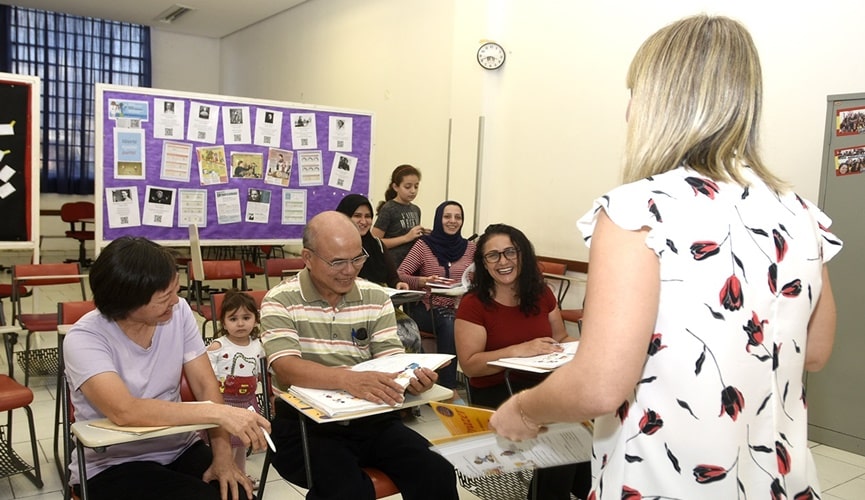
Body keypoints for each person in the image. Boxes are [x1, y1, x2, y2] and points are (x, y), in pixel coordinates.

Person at [489, 15, 842, 500]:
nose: (628, 111)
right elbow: (815, 352)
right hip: (778, 479)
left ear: (661, 102)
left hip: (667, 480)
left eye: (634, 93)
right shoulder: (798, 212)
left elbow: (599, 386)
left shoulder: (639, 210)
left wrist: (524, 410)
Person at [259, 211, 459, 500]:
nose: (350, 270)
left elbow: (392, 361)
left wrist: (411, 380)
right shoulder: (280, 299)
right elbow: (286, 368)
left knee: (437, 470)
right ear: (308, 257)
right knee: (347, 490)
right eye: (337, 262)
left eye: (357, 258)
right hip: (304, 427)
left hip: (371, 419)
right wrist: (349, 379)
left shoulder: (375, 296)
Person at [63, 236, 270, 500]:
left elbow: (205, 384)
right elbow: (125, 411)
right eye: (165, 297)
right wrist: (218, 413)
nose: (175, 301)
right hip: (112, 463)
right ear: (128, 301)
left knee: (239, 494)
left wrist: (223, 456)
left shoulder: (178, 313)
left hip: (178, 447)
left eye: (176, 290)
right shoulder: (84, 338)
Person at [455, 223, 589, 500]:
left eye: (510, 252)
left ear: (522, 254)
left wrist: (589, 348)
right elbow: (470, 365)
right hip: (497, 392)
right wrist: (517, 350)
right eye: (493, 255)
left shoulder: (541, 293)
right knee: (560, 434)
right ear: (483, 263)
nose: (503, 261)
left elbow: (561, 338)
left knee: (588, 424)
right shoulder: (473, 304)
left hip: (543, 385)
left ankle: (583, 489)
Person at [398, 200, 476, 397]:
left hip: (461, 307)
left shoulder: (470, 248)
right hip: (427, 307)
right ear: (438, 218)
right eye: (447, 216)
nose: (453, 221)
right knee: (449, 322)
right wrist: (423, 281)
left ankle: (481, 385)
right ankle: (449, 388)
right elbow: (400, 274)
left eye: (458, 217)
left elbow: (480, 276)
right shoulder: (424, 245)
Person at [336, 193, 422, 353]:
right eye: (357, 216)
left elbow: (392, 276)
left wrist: (398, 284)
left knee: (408, 330)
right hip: (347, 306)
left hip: (380, 303)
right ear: (344, 216)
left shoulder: (376, 244)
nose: (364, 221)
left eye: (368, 216)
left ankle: (407, 369)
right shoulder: (334, 245)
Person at [207, 290, 265, 488]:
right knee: (227, 444)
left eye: (246, 318)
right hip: (225, 403)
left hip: (248, 402)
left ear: (256, 320)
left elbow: (261, 373)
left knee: (242, 443)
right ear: (223, 323)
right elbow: (206, 378)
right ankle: (225, 474)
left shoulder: (258, 346)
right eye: (233, 319)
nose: (240, 324)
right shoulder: (217, 347)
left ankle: (241, 475)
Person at [372, 164, 427, 267]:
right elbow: (374, 242)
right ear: (395, 187)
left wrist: (422, 234)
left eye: (416, 186)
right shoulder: (389, 208)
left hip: (411, 265)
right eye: (407, 187)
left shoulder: (416, 209)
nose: (413, 191)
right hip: (392, 265)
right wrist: (406, 238)